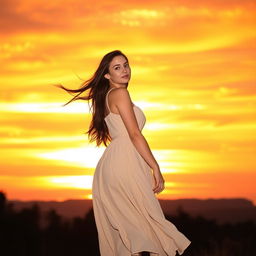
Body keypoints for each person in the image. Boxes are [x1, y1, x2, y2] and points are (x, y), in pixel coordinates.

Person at [56, 50, 191, 256]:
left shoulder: (108, 96)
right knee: (146, 222)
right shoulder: (120, 94)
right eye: (117, 67)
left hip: (117, 163)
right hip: (125, 163)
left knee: (132, 233)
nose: (125, 70)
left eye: (126, 65)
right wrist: (156, 167)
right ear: (107, 75)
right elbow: (135, 134)